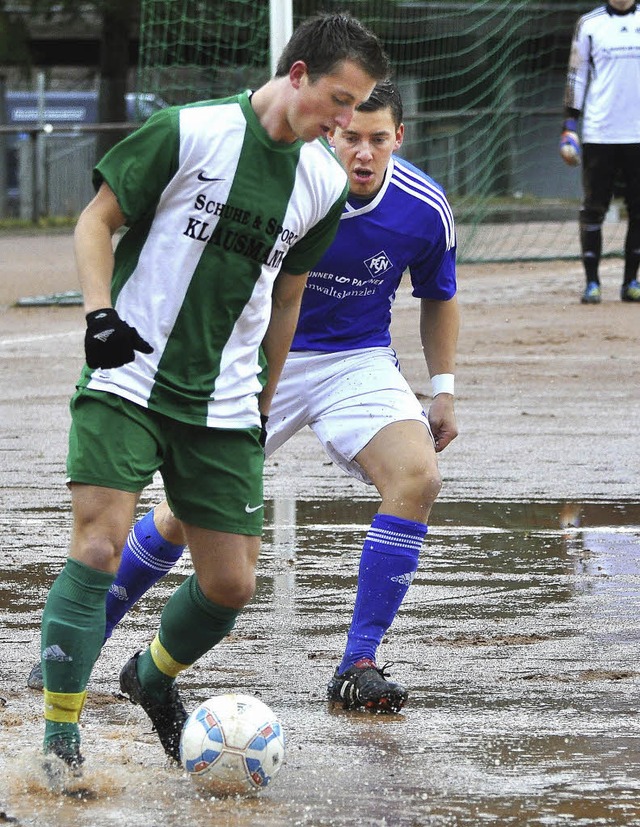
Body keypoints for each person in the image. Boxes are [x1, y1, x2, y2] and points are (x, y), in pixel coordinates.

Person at [31, 80, 458, 719]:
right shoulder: (292, 180)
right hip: (253, 361)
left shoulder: (424, 206)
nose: (363, 154)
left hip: (355, 361)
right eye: (350, 137)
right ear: (328, 130)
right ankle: (88, 633)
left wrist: (445, 387)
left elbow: (439, 294)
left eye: (378, 139)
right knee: (187, 518)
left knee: (418, 477)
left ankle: (359, 661)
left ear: (400, 137)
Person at [559, 0, 640, 304]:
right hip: (600, 132)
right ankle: (592, 283)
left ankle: (631, 281)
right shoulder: (589, 24)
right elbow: (575, 76)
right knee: (594, 208)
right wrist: (569, 125)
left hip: (637, 133)